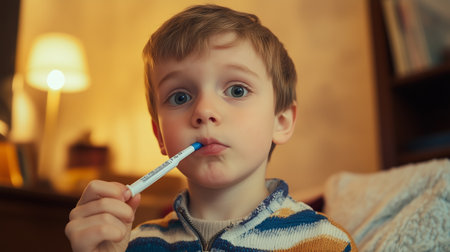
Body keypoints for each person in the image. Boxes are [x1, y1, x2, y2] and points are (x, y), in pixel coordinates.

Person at [65, 4, 357, 252]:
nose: (204, 111)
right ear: (160, 136)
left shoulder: (325, 243)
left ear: (281, 121)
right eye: (180, 97)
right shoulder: (132, 244)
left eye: (237, 91)